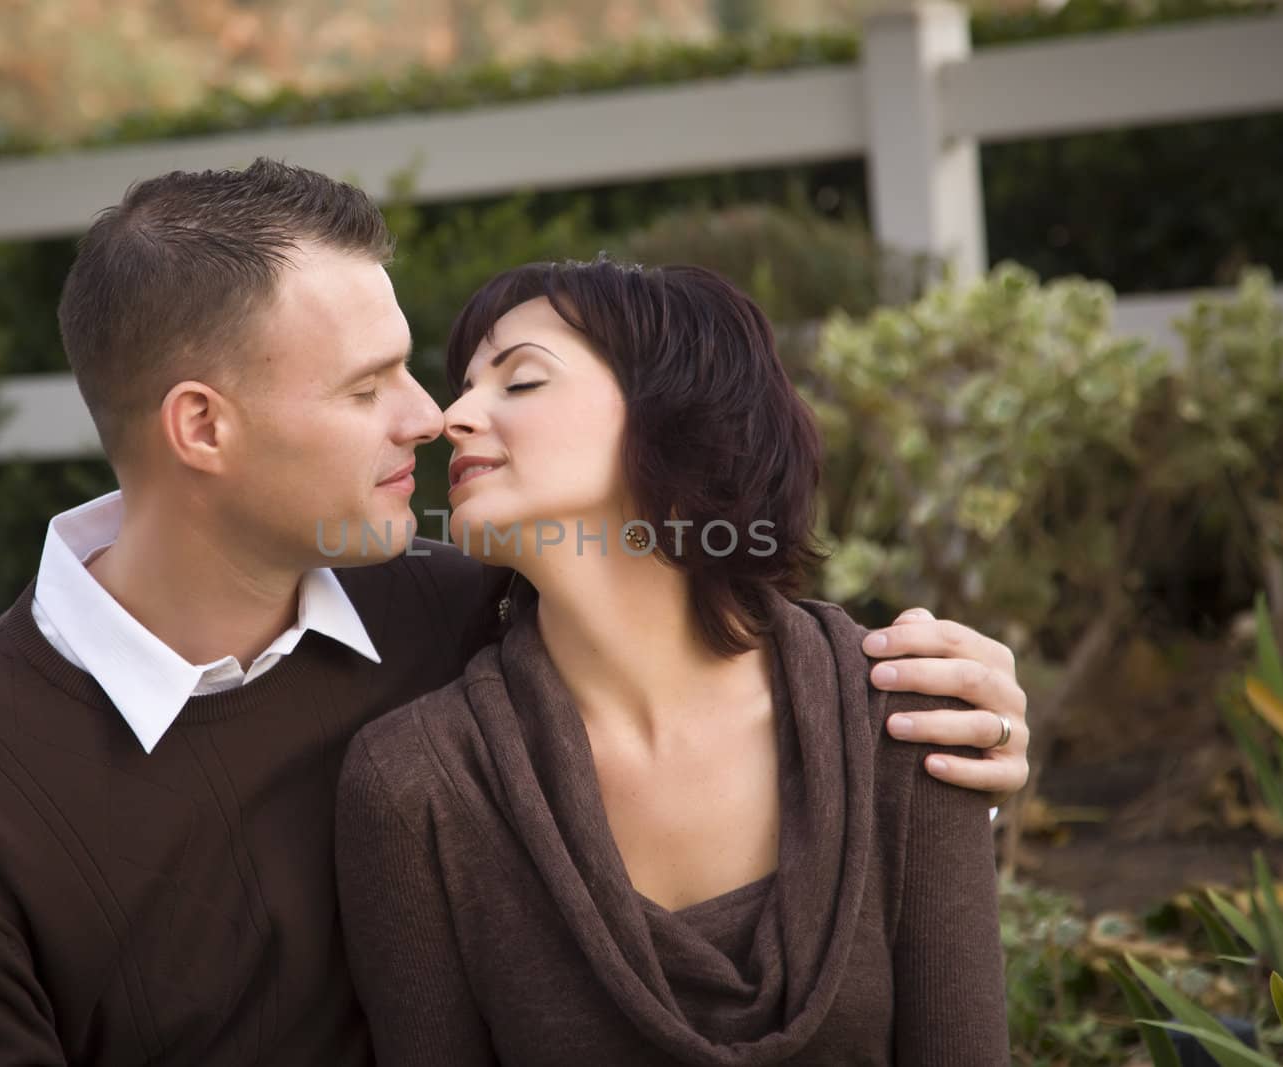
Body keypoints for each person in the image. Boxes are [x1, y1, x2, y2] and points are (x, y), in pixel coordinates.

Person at [0, 159, 1026, 1066]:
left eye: (427, 366)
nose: (431, 417)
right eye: (368, 387)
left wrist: (960, 702)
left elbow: (694, 618)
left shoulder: (471, 614)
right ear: (202, 426)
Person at [335, 258, 1011, 1065]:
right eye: (467, 385)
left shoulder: (898, 712)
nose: (453, 417)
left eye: (519, 382)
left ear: (677, 419)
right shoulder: (415, 784)